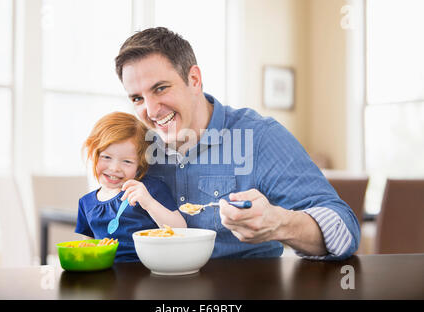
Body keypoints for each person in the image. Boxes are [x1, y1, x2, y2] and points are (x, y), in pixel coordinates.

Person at [114, 27, 360, 260]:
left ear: (194, 79)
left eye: (160, 88)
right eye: (137, 98)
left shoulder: (259, 137)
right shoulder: (137, 147)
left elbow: (345, 230)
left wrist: (280, 223)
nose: (151, 110)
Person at [75, 111, 186, 262]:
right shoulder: (86, 203)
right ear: (93, 153)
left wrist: (149, 203)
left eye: (127, 161)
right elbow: (87, 245)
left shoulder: (149, 189)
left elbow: (181, 230)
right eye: (106, 157)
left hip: (148, 272)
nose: (114, 168)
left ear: (139, 165)